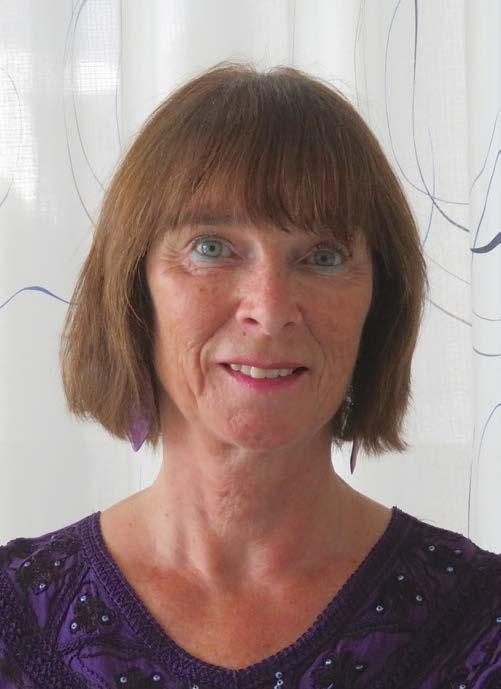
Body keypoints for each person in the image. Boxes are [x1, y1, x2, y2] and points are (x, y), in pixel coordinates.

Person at [0, 61, 499, 689]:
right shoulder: (15, 620)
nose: (269, 308)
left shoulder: (484, 623)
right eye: (211, 247)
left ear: (380, 305)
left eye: (323, 256)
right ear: (132, 289)